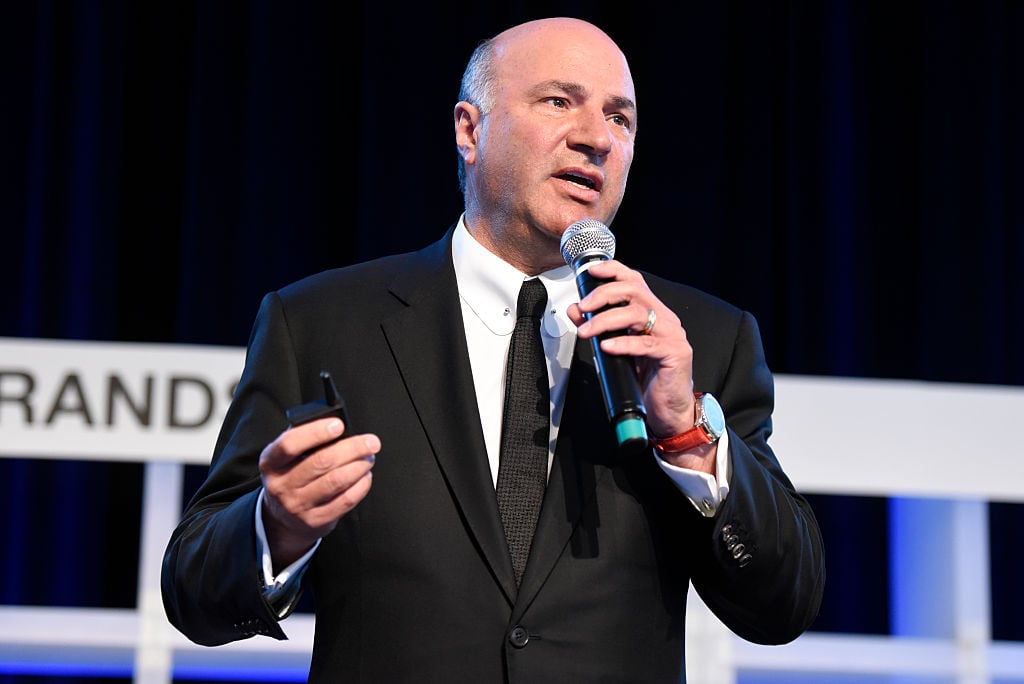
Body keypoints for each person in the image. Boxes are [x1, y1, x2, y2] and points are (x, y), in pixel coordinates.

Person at [161, 16, 825, 683]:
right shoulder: (319, 322)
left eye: (619, 118)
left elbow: (783, 604)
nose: (596, 137)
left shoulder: (700, 341)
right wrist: (275, 528)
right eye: (559, 101)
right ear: (469, 130)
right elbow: (194, 592)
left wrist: (686, 435)